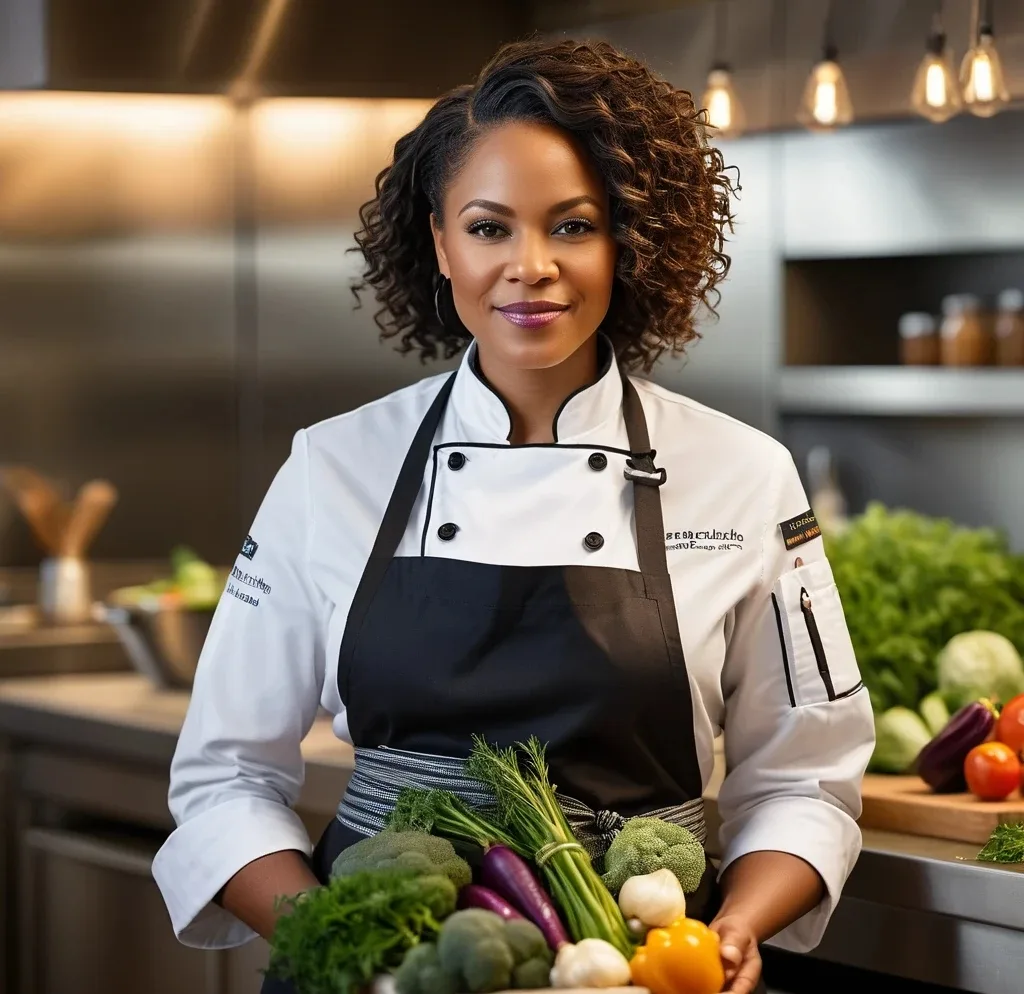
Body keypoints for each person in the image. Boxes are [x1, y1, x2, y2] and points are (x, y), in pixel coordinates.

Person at [153, 38, 875, 994]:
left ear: (630, 241)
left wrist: (737, 926)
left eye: (573, 226)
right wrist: (341, 942)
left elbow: (803, 780)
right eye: (490, 228)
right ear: (440, 242)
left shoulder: (743, 474)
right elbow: (226, 781)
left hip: (641, 970)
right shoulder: (332, 467)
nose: (530, 267)